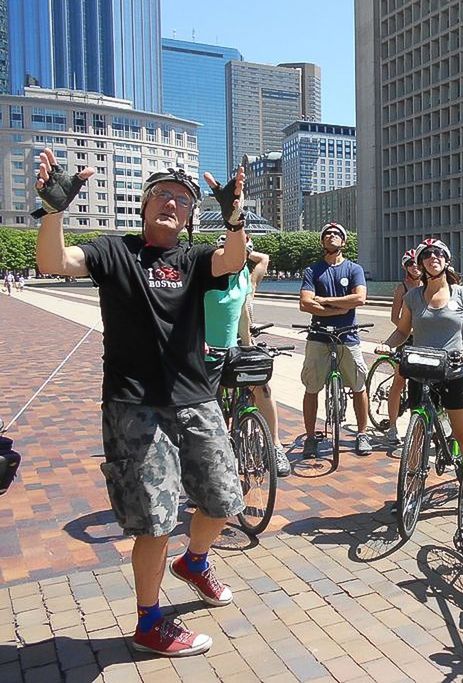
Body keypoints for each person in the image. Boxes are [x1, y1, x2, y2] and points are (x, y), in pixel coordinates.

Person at [33, 146, 248, 656]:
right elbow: (52, 260)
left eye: (182, 199)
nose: (172, 203)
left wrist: (235, 217)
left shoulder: (195, 259)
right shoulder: (116, 251)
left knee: (222, 500)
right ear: (145, 207)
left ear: (192, 215)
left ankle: (194, 562)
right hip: (135, 407)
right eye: (162, 196)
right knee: (156, 520)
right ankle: (150, 622)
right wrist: (54, 210)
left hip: (197, 399)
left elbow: (232, 259)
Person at [374, 238, 463, 458]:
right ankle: (413, 484)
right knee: (418, 432)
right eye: (426, 255)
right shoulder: (412, 296)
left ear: (446, 259)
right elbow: (403, 331)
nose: (433, 257)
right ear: (420, 263)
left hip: (455, 372)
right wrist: (387, 345)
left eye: (438, 253)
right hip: (422, 373)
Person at [204, 236, 290, 477]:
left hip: (231, 349)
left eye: (240, 254)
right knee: (206, 411)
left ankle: (274, 446)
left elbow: (242, 317)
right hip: (205, 352)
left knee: (262, 387)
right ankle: (203, 470)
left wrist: (249, 348)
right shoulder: (205, 275)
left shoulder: (244, 277)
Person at [299, 222, 372, 456]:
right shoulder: (312, 270)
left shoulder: (353, 269)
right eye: (327, 234)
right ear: (322, 242)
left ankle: (362, 433)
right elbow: (305, 303)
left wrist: (324, 300)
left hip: (348, 335)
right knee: (312, 387)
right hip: (318, 335)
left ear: (344, 241)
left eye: (337, 234)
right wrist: (338, 308)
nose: (332, 236)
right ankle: (310, 437)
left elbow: (360, 298)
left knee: (359, 386)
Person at [382, 249, 422, 443]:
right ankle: (392, 426)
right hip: (407, 339)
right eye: (410, 264)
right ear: (406, 267)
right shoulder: (402, 288)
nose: (415, 267)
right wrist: (408, 329)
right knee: (399, 381)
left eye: (417, 263)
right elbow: (393, 317)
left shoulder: (429, 285)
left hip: (426, 339)